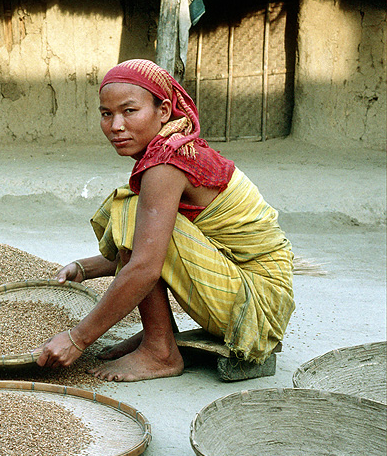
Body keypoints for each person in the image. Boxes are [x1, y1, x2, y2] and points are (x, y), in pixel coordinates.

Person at [35, 59, 295, 382]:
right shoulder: (171, 148)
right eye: (106, 114)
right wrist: (85, 268)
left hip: (256, 308)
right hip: (251, 292)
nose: (116, 125)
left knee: (130, 209)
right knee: (135, 207)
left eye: (129, 111)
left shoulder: (165, 164)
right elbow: (155, 240)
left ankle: (160, 351)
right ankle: (158, 333)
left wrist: (77, 339)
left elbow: (146, 266)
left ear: (164, 110)